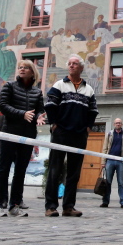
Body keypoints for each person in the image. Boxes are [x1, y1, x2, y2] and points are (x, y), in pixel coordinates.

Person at [44, 54, 98, 217]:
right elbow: (50, 105)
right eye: (70, 63)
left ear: (81, 68)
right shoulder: (59, 85)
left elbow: (93, 111)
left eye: (75, 64)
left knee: (74, 173)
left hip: (79, 135)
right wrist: (53, 124)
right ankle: (51, 206)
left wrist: (88, 128)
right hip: (61, 132)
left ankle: (68, 207)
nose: (72, 66)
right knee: (55, 170)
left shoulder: (88, 89)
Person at [0, 60, 46, 217]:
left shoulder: (37, 92)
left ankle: (14, 205)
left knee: (20, 171)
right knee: (3, 169)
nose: (22, 69)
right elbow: (3, 106)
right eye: (20, 67)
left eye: (26, 67)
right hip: (10, 132)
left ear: (32, 72)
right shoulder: (9, 86)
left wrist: (39, 117)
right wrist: (22, 114)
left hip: (28, 135)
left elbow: (39, 110)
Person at [100, 118, 123, 209]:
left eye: (119, 123)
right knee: (108, 182)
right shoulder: (109, 134)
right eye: (117, 123)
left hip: (121, 161)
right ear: (114, 124)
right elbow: (105, 148)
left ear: (122, 124)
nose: (118, 124)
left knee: (121, 183)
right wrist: (103, 162)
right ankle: (105, 202)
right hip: (109, 161)